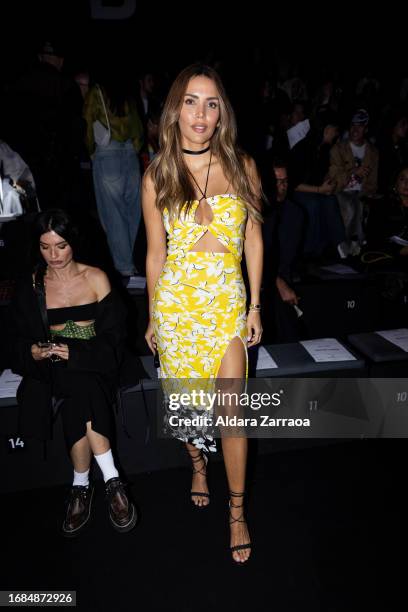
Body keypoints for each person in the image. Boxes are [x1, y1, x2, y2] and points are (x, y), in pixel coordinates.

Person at [142, 64, 263, 563]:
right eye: (191, 101)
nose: (201, 113)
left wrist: (255, 304)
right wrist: (152, 316)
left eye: (211, 104)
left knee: (230, 411)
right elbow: (154, 254)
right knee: (185, 407)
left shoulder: (243, 167)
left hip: (228, 307)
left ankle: (236, 510)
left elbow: (253, 236)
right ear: (176, 110)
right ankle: (197, 463)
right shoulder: (157, 173)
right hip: (177, 307)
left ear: (221, 115)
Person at [9, 209, 137, 536]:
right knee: (79, 387)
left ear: (74, 243)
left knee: (81, 384)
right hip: (52, 368)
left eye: (61, 246)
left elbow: (115, 339)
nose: (53, 255)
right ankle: (112, 481)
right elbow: (15, 340)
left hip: (97, 362)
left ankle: (80, 485)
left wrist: (76, 352)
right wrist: (33, 351)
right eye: (45, 247)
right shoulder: (32, 285)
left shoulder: (96, 278)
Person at [83, 68, 144, 283]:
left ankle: (125, 267)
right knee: (133, 213)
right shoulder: (128, 92)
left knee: (113, 215)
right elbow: (138, 128)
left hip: (107, 154)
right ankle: (137, 261)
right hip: (130, 154)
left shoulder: (96, 92)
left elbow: (87, 125)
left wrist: (90, 151)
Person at [329, 109, 379, 255]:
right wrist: (353, 172)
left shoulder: (373, 152)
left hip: (361, 192)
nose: (355, 129)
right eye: (353, 125)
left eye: (360, 126)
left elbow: (372, 182)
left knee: (361, 203)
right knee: (351, 206)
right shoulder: (338, 148)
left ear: (366, 129)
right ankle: (347, 242)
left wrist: (367, 194)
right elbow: (334, 178)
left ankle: (355, 242)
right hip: (341, 190)